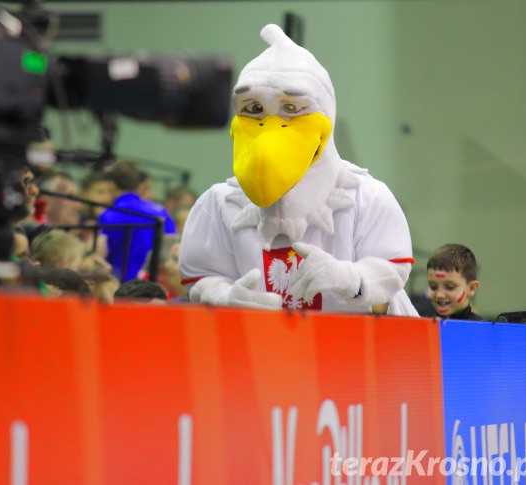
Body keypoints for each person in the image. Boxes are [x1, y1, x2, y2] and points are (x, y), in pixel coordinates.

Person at [179, 24, 417, 315]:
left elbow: (391, 272)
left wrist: (348, 277)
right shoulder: (218, 203)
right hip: (259, 350)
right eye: (254, 109)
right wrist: (223, 296)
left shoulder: (365, 196)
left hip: (351, 351)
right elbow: (201, 275)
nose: (271, 127)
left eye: (291, 109)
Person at [99, 160, 175, 282]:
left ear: (111, 185)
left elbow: (104, 252)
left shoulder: (109, 215)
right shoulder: (160, 212)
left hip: (119, 284)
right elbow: (171, 246)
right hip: (153, 283)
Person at [426, 244, 483, 320]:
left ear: (471, 288)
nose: (440, 295)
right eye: (433, 286)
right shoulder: (423, 327)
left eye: (449, 287)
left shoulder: (483, 330)